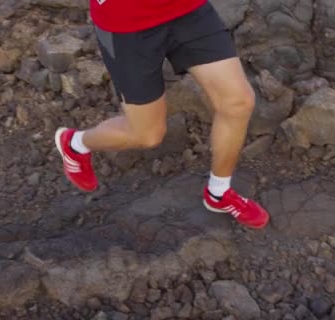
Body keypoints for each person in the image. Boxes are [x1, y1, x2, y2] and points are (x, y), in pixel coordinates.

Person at [54, 0, 270, 229]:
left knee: (237, 102)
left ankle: (219, 192)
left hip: (187, 9)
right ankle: (75, 143)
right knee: (147, 135)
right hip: (127, 24)